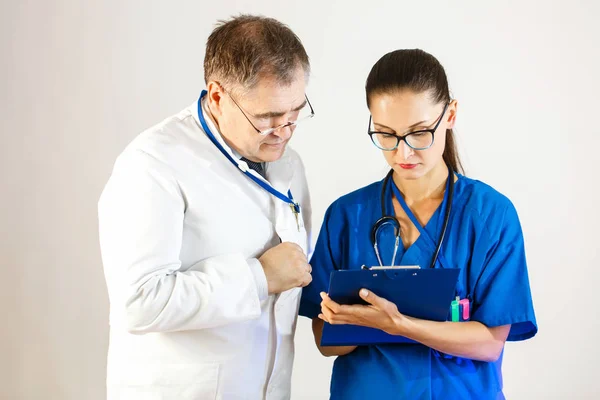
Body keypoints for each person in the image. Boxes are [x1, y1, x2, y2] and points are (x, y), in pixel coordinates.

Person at [299, 49, 537, 399]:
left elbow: (488, 343)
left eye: (419, 133)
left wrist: (398, 324)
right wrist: (355, 323)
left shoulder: (490, 215)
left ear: (450, 115)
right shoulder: (347, 214)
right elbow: (325, 340)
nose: (403, 153)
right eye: (386, 135)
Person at [98, 14, 314, 400]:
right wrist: (258, 278)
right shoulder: (153, 164)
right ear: (217, 96)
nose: (283, 131)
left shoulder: (288, 163)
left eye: (295, 113)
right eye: (267, 118)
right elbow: (139, 302)